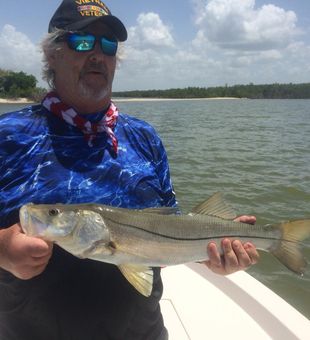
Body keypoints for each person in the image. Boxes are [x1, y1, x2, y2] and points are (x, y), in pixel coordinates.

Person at [0, 1, 259, 339]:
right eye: (82, 41)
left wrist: (212, 252)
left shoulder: (145, 137)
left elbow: (169, 232)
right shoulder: (9, 136)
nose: (97, 54)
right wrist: (3, 248)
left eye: (108, 45)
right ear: (52, 54)